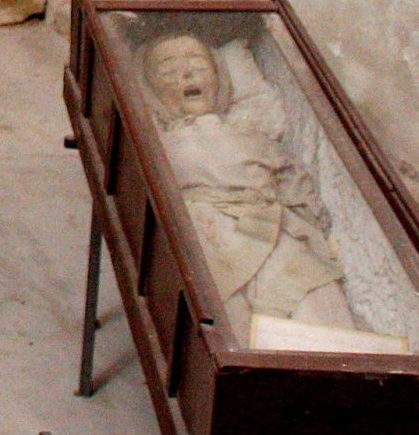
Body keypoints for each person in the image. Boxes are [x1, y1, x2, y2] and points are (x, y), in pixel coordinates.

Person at [139, 33, 354, 338]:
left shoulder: (252, 133)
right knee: (224, 314)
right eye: (168, 70)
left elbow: (293, 183)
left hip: (270, 225)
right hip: (206, 231)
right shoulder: (161, 141)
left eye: (198, 64)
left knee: (315, 292)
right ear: (152, 91)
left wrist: (307, 222)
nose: (186, 73)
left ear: (219, 77)